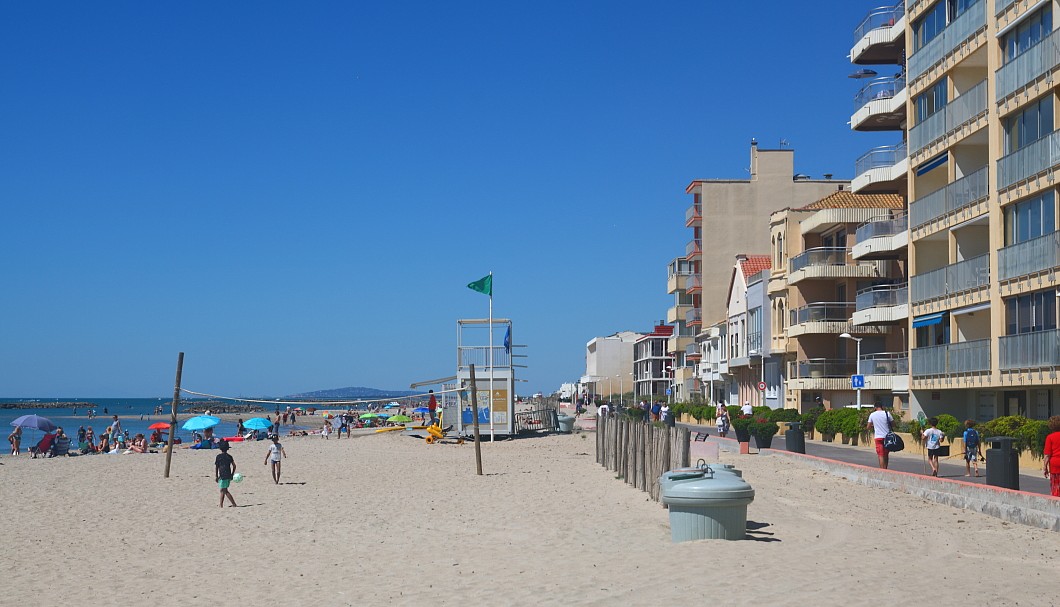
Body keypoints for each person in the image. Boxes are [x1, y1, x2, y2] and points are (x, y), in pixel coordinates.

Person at [866, 403, 894, 469]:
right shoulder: (887, 413)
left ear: (875, 407)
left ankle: (882, 470)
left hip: (878, 437)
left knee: (881, 455)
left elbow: (868, 427)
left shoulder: (872, 415)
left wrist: (874, 425)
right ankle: (886, 469)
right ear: (882, 407)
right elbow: (893, 424)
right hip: (887, 437)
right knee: (886, 454)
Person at [214, 441, 237, 508]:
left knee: (224, 490)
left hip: (222, 475)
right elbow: (234, 466)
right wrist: (232, 474)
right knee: (223, 489)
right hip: (228, 474)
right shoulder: (229, 456)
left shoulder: (218, 457)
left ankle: (233, 504)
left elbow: (217, 467)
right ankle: (221, 504)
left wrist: (216, 476)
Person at [1043, 415, 1060, 497]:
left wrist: (1045, 467)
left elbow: (1047, 455)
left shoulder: (1050, 437)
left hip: (1055, 465)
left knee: (1055, 487)